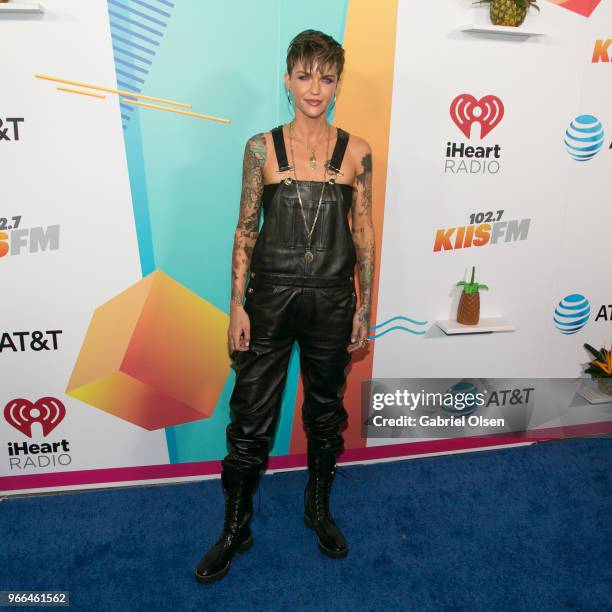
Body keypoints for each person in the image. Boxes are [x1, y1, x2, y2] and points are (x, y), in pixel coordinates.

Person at [195, 29, 375, 585]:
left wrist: (364, 306)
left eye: (326, 77)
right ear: (287, 79)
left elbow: (363, 233)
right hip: (268, 301)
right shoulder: (260, 148)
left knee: (326, 416)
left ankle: (317, 509)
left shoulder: (358, 152)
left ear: (338, 82)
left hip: (331, 301)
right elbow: (245, 229)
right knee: (250, 419)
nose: (314, 88)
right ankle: (235, 527)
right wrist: (236, 305)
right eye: (304, 75)